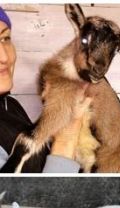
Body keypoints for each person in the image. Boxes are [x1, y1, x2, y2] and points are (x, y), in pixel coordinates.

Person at [0, 6, 89, 173]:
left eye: (5, 38)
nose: (4, 57)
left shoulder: (9, 105)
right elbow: (32, 198)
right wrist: (65, 139)